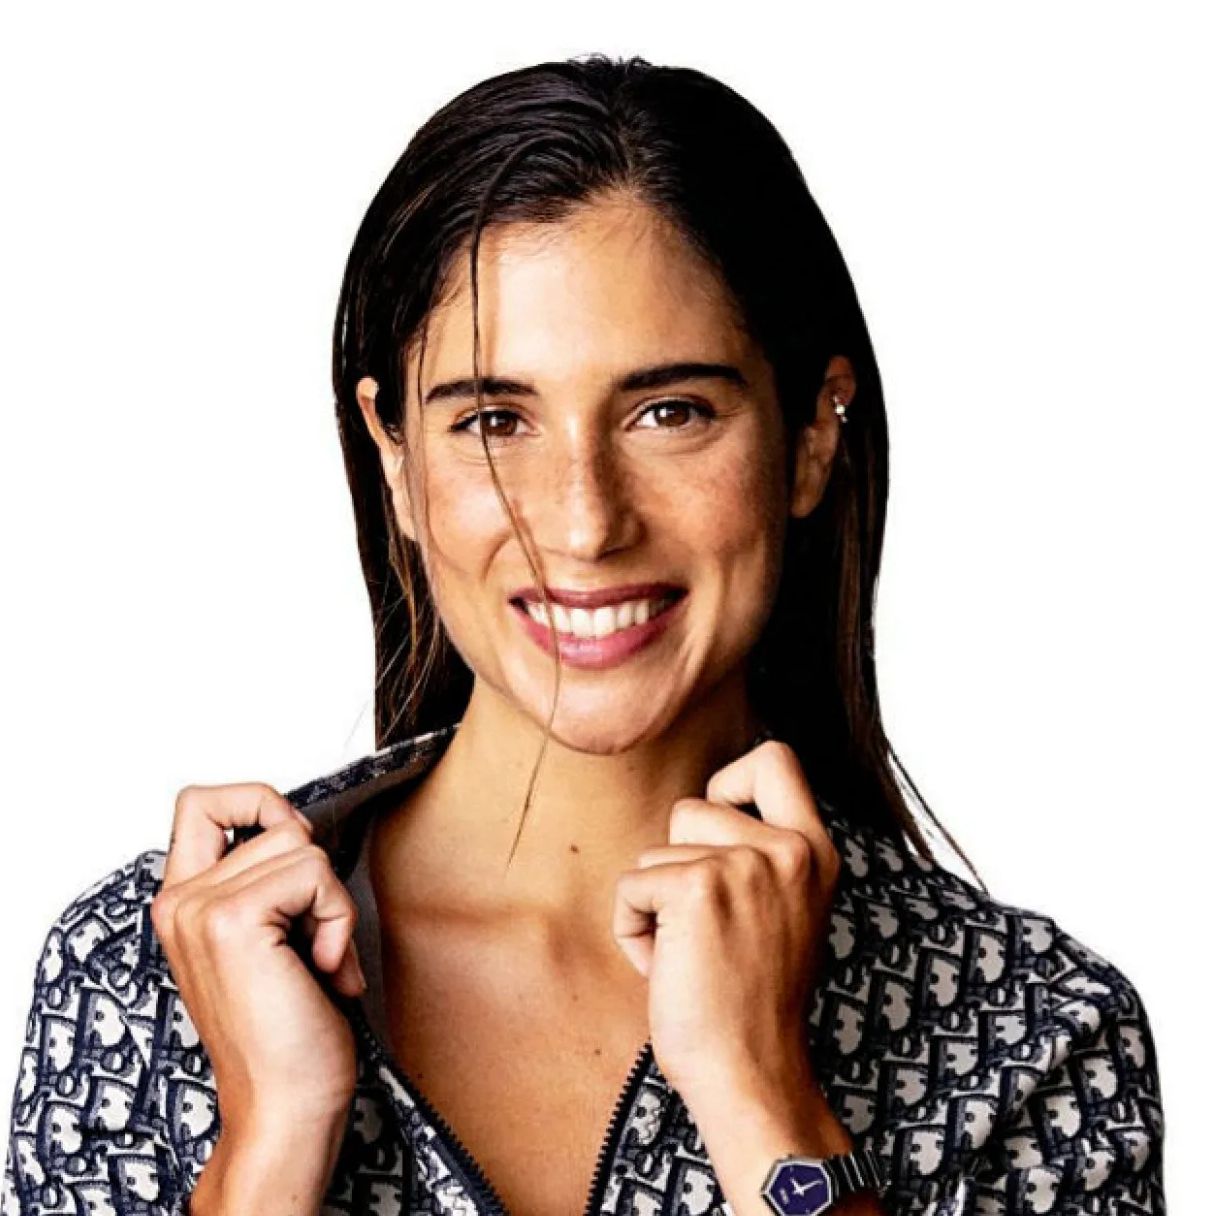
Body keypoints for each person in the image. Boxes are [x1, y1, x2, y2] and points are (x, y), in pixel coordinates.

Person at [1, 54, 1165, 1216]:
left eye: (669, 411)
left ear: (812, 433)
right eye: (493, 420)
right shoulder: (143, 984)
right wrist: (268, 1144)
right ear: (393, 455)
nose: (583, 521)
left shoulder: (1033, 1030)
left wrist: (762, 1096)